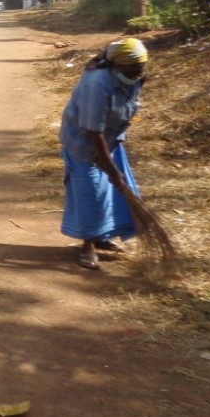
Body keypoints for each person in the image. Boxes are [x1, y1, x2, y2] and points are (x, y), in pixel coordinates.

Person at [58, 37, 148, 271]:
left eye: (142, 66)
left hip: (110, 139)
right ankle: (88, 244)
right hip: (83, 142)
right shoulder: (96, 84)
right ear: (117, 65)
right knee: (90, 191)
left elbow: (126, 106)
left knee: (111, 191)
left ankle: (102, 237)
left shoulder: (135, 77)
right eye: (134, 67)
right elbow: (92, 130)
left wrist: (112, 169)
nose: (140, 71)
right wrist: (110, 169)